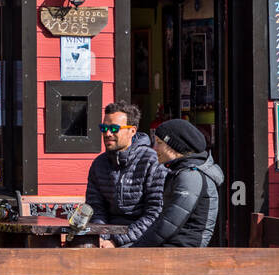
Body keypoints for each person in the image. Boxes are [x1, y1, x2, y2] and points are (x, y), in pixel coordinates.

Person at [132, 119, 225, 247]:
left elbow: (169, 223)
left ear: (175, 146)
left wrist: (136, 248)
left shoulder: (191, 176)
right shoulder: (181, 172)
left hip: (183, 254)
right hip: (174, 250)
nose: (154, 148)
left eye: (159, 143)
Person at [86, 101, 167, 249]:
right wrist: (102, 238)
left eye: (114, 128)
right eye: (104, 128)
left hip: (141, 240)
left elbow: (155, 214)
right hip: (105, 239)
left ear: (133, 131)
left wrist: (116, 241)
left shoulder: (151, 160)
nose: (108, 133)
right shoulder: (99, 164)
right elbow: (96, 209)